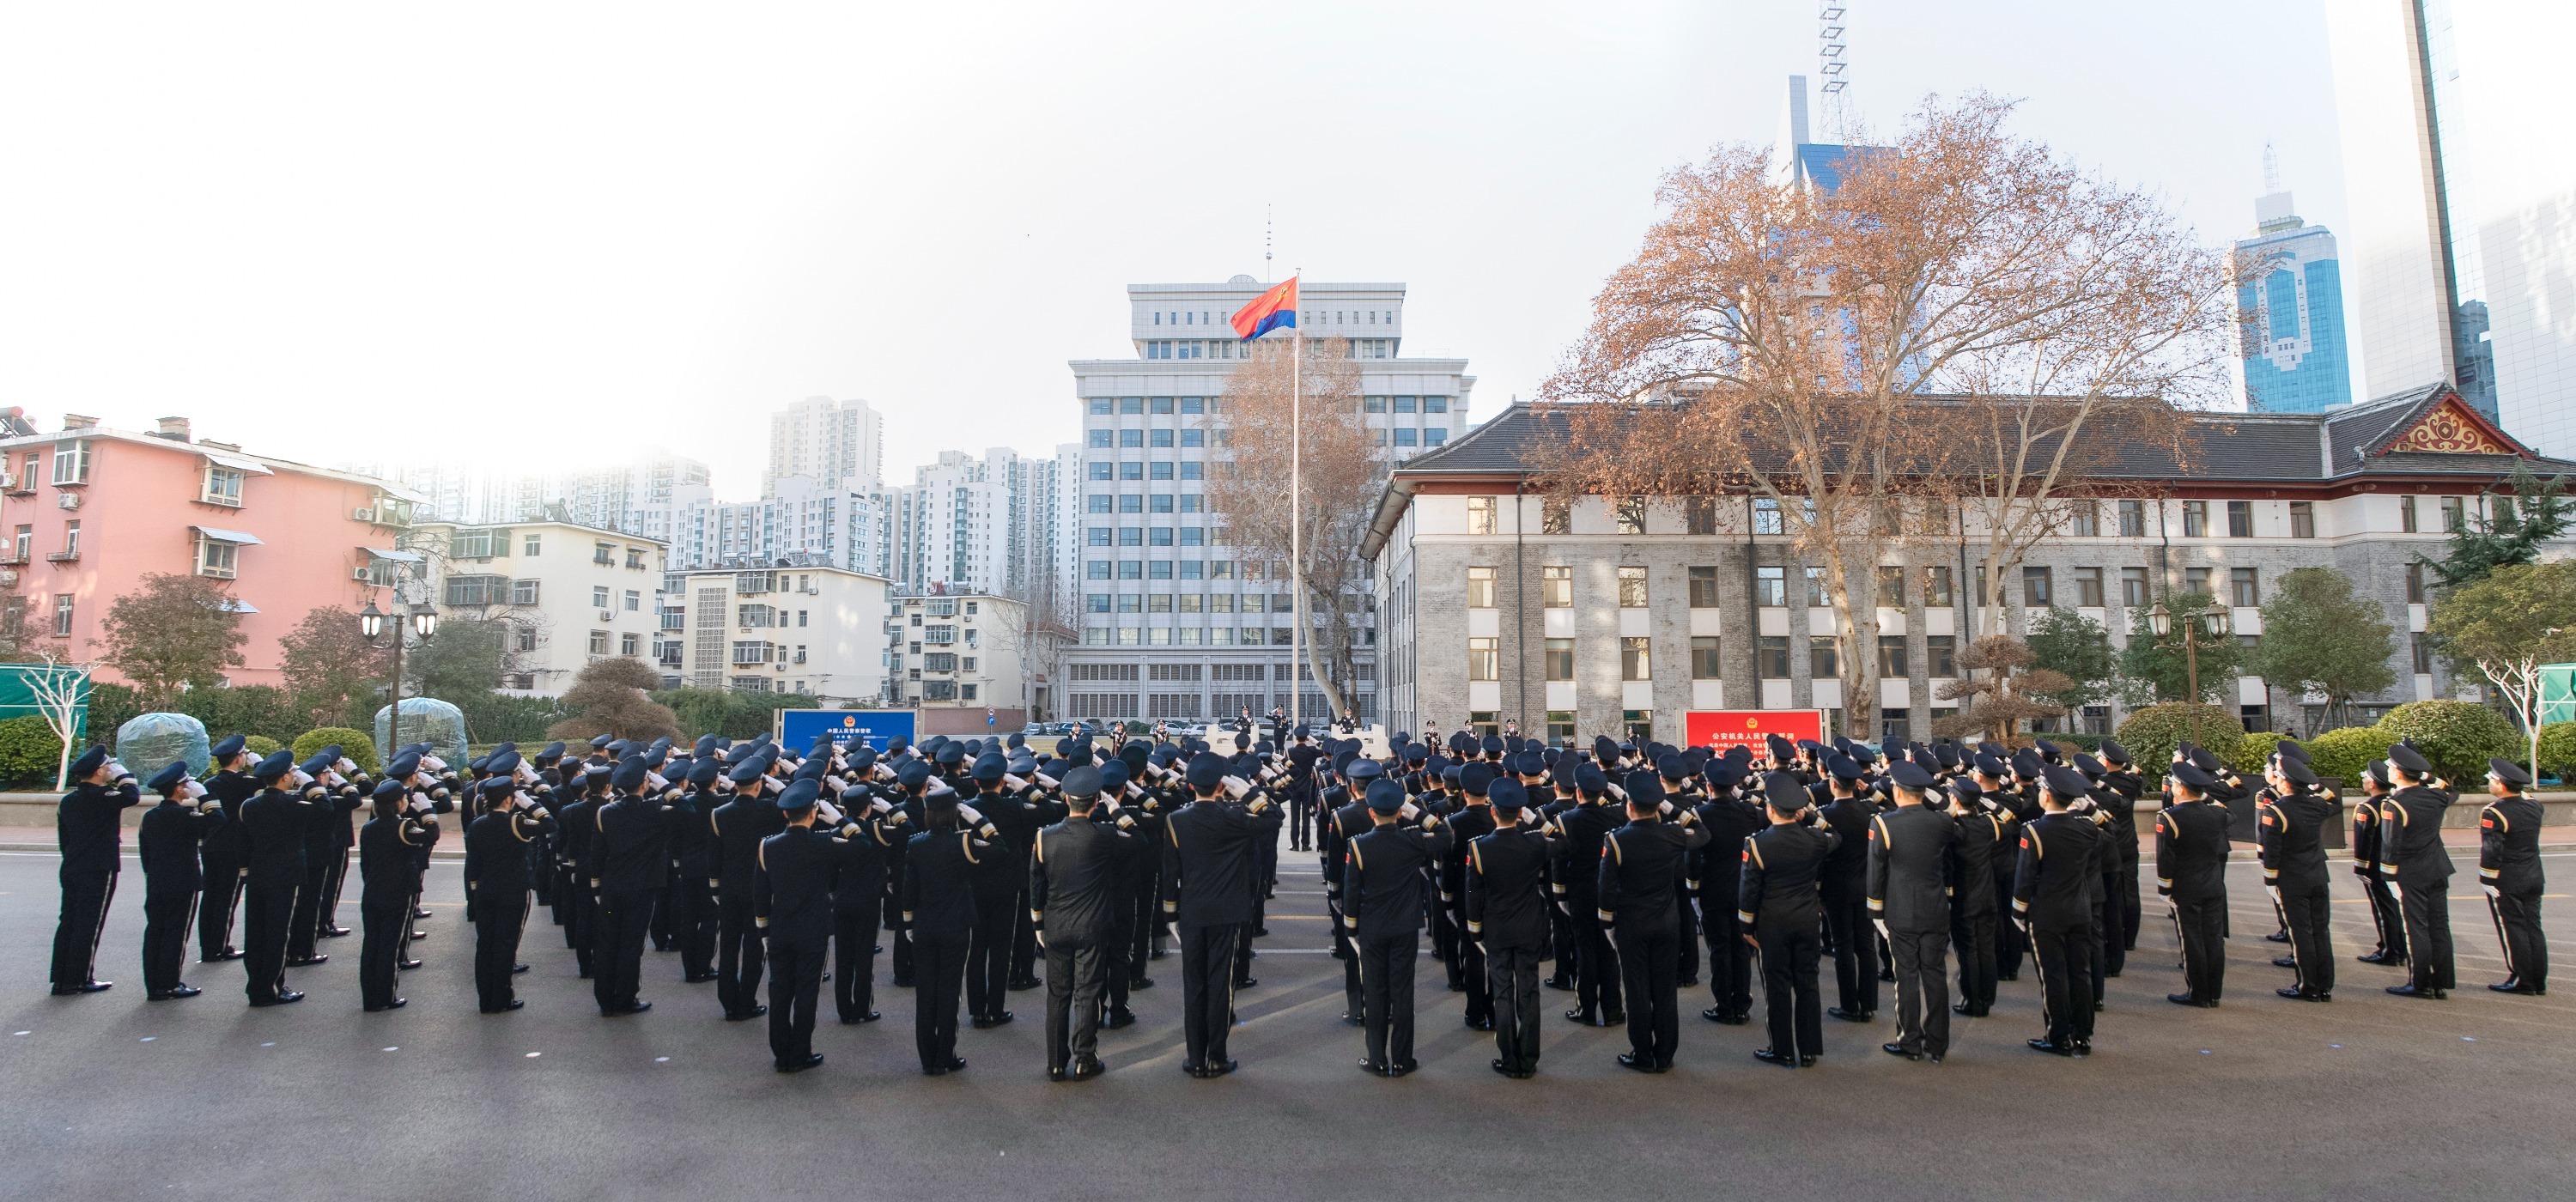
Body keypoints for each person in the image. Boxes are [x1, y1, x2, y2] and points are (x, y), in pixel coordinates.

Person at [1162, 751, 1273, 1078]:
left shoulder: (1176, 820)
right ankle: (1217, 1056)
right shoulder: (1234, 816)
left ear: (1191, 784)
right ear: (1222, 787)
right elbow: (1273, 817)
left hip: (1192, 910)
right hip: (1227, 910)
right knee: (1220, 984)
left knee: (1194, 984)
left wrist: (1170, 914)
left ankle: (1196, 1057)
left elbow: (1170, 871)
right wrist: (1250, 794)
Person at [1596, 770, 1710, 1073]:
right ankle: (1666, 1052)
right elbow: (1702, 832)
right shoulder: (1672, 834)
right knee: (1664, 989)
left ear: (1629, 806)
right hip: (1666, 922)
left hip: (1632, 924)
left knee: (1636, 989)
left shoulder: (1617, 841)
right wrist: (1672, 809)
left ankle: (1642, 1053)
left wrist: (1608, 925)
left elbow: (1605, 889)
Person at [1030, 765, 1138, 1082]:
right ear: (1095, 803)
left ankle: (1054, 1062)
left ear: (1065, 799)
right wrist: (1117, 811)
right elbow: (1138, 839)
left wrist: (1038, 924)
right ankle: (1084, 1058)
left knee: (1058, 995)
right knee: (1087, 993)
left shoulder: (1043, 837)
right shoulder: (1104, 835)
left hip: (1056, 924)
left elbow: (1036, 885)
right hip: (1092, 925)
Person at [1343, 776, 1453, 1076]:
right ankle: (1403, 1059)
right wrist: (1415, 812)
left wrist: (1351, 928)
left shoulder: (1360, 845)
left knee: (1376, 992)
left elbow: (1352, 892)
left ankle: (1376, 1058)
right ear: (1398, 812)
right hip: (1405, 926)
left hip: (1373, 928)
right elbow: (1444, 835)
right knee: (1403, 993)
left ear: (1371, 812)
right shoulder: (1412, 839)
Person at [1739, 771, 1832, 1067]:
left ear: (1769, 809)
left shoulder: (1757, 844)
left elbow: (1749, 890)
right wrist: (1810, 817)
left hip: (1773, 922)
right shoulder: (1815, 839)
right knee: (1808, 983)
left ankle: (1781, 1048)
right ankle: (1808, 1049)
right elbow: (1835, 836)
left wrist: (1746, 926)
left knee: (1777, 986)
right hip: (1807, 918)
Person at [1465, 778, 1557, 1078]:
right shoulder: (1535, 842)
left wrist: (1475, 929)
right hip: (1530, 926)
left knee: (1502, 992)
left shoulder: (1480, 849)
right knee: (1529, 992)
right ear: (1519, 813)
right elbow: (1562, 842)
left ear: (1493, 811)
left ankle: (1508, 1057)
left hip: (1497, 929)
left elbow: (1474, 894)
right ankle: (1529, 1058)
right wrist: (1534, 818)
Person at [1868, 760, 1957, 1062]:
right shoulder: (1943, 822)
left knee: (1905, 976)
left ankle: (1909, 1040)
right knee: (1935, 975)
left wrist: (1875, 911)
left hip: (1900, 908)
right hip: (1935, 908)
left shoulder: (1883, 824)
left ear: (1896, 790)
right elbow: (1945, 809)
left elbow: (1876, 871)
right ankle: (1938, 1043)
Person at [755, 778, 846, 1073]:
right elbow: (862, 845)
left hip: (780, 929)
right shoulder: (824, 843)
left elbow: (761, 894)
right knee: (807, 992)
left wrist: (764, 931)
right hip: (813, 930)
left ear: (785, 814)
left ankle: (781, 1053)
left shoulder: (767, 847)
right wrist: (843, 820)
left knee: (779, 992)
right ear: (814, 813)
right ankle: (800, 1051)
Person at [2014, 766, 2105, 1057]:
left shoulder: (2035, 830)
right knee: (2080, 973)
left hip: (2047, 912)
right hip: (2079, 908)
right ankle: (2083, 1035)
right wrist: (2087, 806)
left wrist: (2019, 911)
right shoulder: (2087, 828)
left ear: (2048, 796)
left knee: (2053, 975)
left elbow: (2025, 877)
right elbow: (2108, 831)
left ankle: (2058, 1035)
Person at [902, 769, 987, 1075]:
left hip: (924, 926)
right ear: (953, 813)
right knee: (949, 992)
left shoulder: (916, 843)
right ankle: (944, 1056)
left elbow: (909, 890)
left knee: (926, 992)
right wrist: (976, 819)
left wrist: (909, 924)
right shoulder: (962, 842)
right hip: (955, 927)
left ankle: (927, 1058)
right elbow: (998, 846)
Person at [592, 755, 677, 1017]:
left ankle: (606, 998)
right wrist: (664, 786)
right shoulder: (654, 812)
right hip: (642, 889)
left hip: (611, 889)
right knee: (631, 943)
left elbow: (597, 853)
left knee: (608, 942)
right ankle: (626, 998)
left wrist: (597, 887)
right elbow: (686, 809)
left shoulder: (605, 812)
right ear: (644, 784)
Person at [464, 772, 555, 1013]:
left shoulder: (477, 824)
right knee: (505, 945)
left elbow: (472, 863)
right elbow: (550, 825)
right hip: (513, 891)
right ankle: (502, 998)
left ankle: (485, 999)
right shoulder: (517, 822)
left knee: (485, 945)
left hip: (485, 890)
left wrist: (474, 891)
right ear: (507, 800)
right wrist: (532, 805)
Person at [51, 745, 138, 996]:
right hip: (99, 867)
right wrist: (123, 775)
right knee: (89, 923)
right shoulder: (103, 797)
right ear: (99, 771)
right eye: (107, 766)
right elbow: (132, 796)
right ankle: (79, 978)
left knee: (68, 921)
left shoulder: (69, 800)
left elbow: (64, 839)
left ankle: (61, 978)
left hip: (72, 865)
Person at [239, 750, 319, 1006]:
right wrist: (310, 782)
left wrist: (244, 872)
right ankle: (272, 988)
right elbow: (325, 809)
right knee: (277, 933)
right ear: (284, 778)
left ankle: (255, 985)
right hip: (285, 875)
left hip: (258, 874)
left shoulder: (250, 805)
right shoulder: (294, 805)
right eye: (292, 774)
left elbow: (244, 843)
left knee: (255, 933)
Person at [2378, 744, 2457, 999]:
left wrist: (2389, 877)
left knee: (2417, 928)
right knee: (2440, 927)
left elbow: (2390, 845)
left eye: (2391, 767)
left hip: (2411, 873)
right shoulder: (2434, 797)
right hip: (2437, 869)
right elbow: (2451, 790)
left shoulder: (2395, 804)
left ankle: (2421, 983)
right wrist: (2425, 776)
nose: (2388, 770)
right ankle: (2440, 983)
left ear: (2399, 773)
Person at [2257, 754, 2337, 1002]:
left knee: (2301, 933)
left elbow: (2272, 851)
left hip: (2292, 879)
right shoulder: (2316, 805)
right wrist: (2315, 784)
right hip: (2317, 875)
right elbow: (2333, 802)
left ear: (2284, 783)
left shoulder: (2276, 811)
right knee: (2321, 932)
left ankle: (2307, 985)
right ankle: (2324, 985)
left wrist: (2270, 881)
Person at [137, 761, 217, 1001]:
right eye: (185, 784)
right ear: (179, 789)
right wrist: (204, 796)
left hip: (157, 881)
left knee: (155, 932)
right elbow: (218, 819)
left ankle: (154, 984)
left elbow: (145, 852)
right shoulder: (186, 816)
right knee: (175, 933)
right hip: (183, 881)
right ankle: (170, 983)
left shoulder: (150, 816)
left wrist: (152, 875)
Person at [712, 756, 785, 1020]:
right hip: (757, 887)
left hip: (729, 888)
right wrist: (776, 785)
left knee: (729, 947)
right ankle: (747, 1001)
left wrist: (715, 889)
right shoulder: (768, 810)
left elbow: (715, 856)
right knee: (754, 948)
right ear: (758, 785)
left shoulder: (719, 814)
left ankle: (728, 1001)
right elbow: (793, 800)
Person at [358, 779, 440, 1012]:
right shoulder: (403, 826)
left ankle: (370, 997)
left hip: (373, 890)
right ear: (398, 804)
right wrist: (427, 812)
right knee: (389, 946)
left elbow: (366, 864)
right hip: (397, 892)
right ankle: (385, 996)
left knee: (371, 945)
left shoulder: (368, 827)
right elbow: (431, 835)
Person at [2157, 761, 2233, 1008]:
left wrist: (2164, 887)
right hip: (2213, 883)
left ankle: (2198, 992)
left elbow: (2166, 857)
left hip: (2186, 886)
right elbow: (2226, 814)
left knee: (2192, 939)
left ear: (2180, 788)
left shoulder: (2170, 817)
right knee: (2213, 938)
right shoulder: (2218, 814)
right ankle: (2214, 992)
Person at [1815, 755, 1879, 1023]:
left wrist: (1817, 890)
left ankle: (1849, 1005)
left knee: (1843, 946)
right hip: (1866, 885)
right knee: (1866, 945)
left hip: (1836, 888)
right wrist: (1871, 791)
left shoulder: (1825, 816)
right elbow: (1887, 805)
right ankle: (1869, 1003)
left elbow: (1819, 856)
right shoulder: (1869, 812)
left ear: (1832, 784)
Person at [2477, 758, 2547, 996]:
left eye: (2492, 780)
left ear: (2501, 784)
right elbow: (2527, 797)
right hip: (2534, 874)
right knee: (2533, 927)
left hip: (2508, 878)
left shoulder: (2495, 812)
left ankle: (2522, 980)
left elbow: (2491, 849)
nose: (2490, 784)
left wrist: (2487, 878)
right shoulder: (2534, 806)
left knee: (2513, 929)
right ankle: (2538, 980)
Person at [1945, 777, 2004, 1019]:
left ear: (1956, 800)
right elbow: (2010, 822)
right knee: (1986, 949)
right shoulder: (1988, 823)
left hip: (1964, 896)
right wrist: (1991, 807)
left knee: (1968, 950)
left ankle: (1972, 999)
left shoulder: (1953, 828)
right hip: (1987, 894)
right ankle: (1987, 998)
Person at [197, 735, 255, 965]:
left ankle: (208, 947)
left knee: (210, 898)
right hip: (232, 847)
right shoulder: (244, 782)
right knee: (227, 899)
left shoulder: (210, 784)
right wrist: (256, 762)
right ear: (239, 759)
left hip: (211, 845)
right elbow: (268, 775)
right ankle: (219, 947)